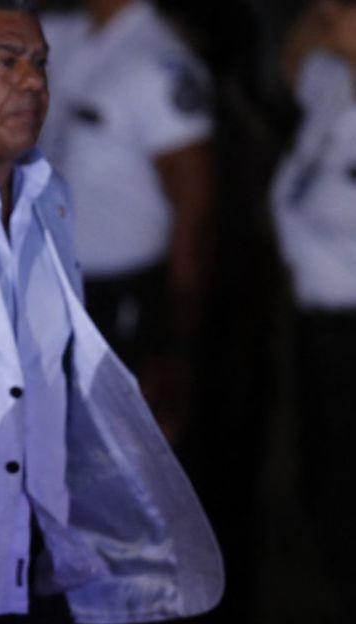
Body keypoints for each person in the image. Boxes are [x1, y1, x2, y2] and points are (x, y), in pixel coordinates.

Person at [0, 1, 223, 622]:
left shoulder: (44, 188)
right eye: (6, 62)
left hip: (37, 544)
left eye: (40, 63)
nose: (32, 81)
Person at [38, 0, 215, 440]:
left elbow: (195, 207)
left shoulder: (157, 61)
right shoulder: (73, 36)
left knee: (124, 453)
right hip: (60, 286)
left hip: (128, 296)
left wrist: (175, 340)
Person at [272, 1, 356, 620]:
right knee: (325, 481)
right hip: (320, 320)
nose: (330, 15)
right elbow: (293, 59)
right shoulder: (332, 78)